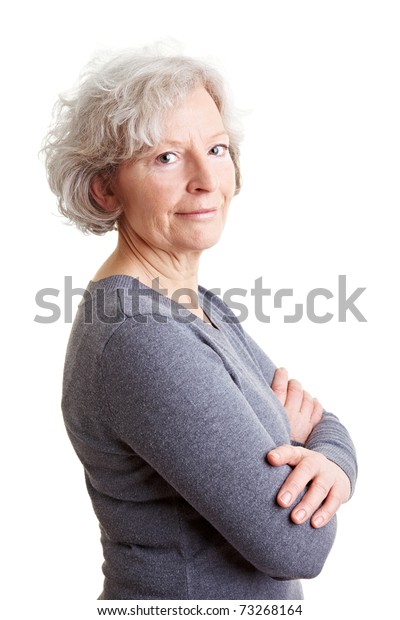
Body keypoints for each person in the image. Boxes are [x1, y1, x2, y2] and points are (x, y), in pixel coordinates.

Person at [43, 47, 357, 600]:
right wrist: (288, 438)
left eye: (216, 149)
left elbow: (325, 422)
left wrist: (328, 457)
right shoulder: (137, 336)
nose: (206, 179)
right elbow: (297, 547)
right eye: (166, 156)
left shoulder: (196, 305)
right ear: (106, 187)